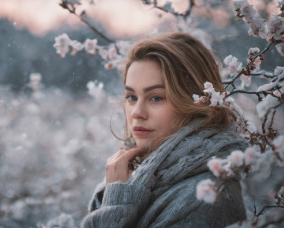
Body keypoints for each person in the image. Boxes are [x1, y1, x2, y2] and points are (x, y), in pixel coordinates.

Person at [81, 32, 247, 228]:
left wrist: (115, 205)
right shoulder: (136, 174)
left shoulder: (205, 197)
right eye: (132, 97)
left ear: (195, 103)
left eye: (156, 98)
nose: (137, 113)